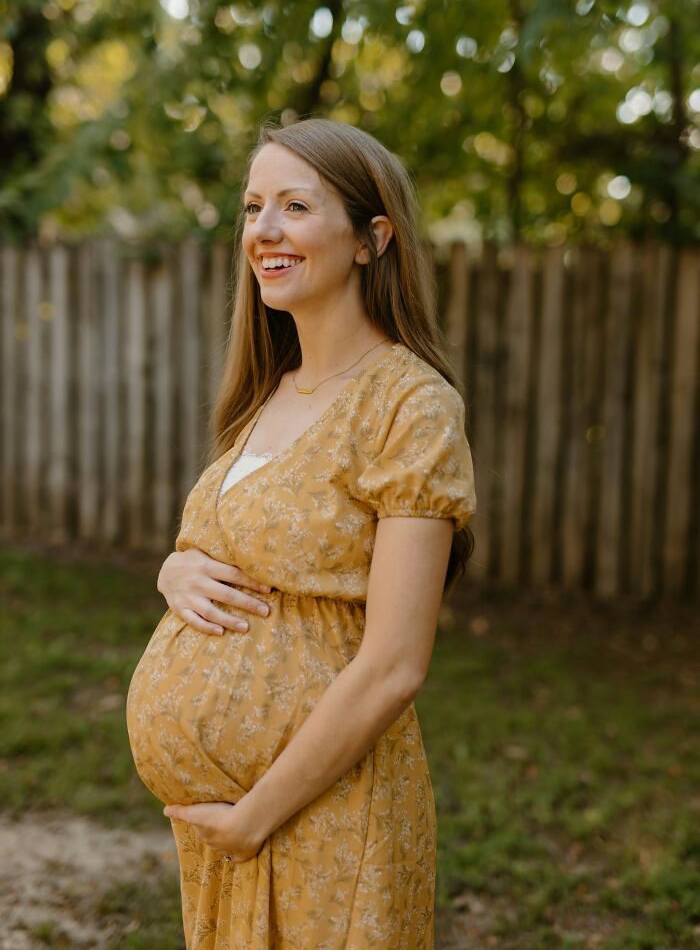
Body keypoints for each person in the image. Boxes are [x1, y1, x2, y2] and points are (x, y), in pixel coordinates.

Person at [126, 116, 477, 949]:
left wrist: (258, 814)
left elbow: (395, 664)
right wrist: (173, 573)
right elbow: (242, 547)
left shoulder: (409, 404)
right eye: (252, 208)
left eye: (294, 205)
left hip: (325, 813)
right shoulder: (267, 391)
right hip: (231, 830)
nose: (265, 231)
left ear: (370, 239)